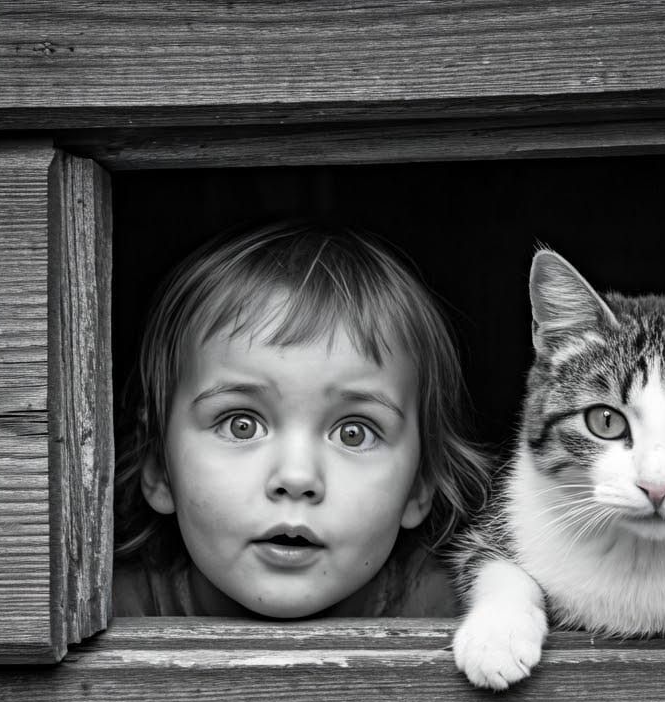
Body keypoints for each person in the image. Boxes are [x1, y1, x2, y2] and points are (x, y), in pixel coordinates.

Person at [113, 221, 489, 617]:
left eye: (354, 433)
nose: (296, 477)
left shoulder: (469, 616)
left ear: (420, 485)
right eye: (241, 424)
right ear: (158, 465)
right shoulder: (103, 614)